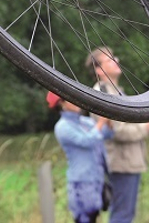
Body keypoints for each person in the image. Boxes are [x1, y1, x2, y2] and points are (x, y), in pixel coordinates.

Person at [85, 46, 149, 223]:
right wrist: (145, 128)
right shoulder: (102, 93)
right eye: (109, 60)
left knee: (126, 213)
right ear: (98, 69)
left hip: (128, 161)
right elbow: (117, 131)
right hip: (121, 162)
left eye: (115, 57)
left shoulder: (115, 91)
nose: (116, 61)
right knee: (122, 215)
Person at [48, 91, 113, 223]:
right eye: (70, 99)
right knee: (84, 219)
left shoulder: (85, 121)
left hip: (96, 179)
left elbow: (106, 134)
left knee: (94, 216)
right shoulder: (62, 127)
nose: (76, 101)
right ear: (62, 104)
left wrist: (109, 123)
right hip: (81, 183)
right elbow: (87, 141)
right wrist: (101, 123)